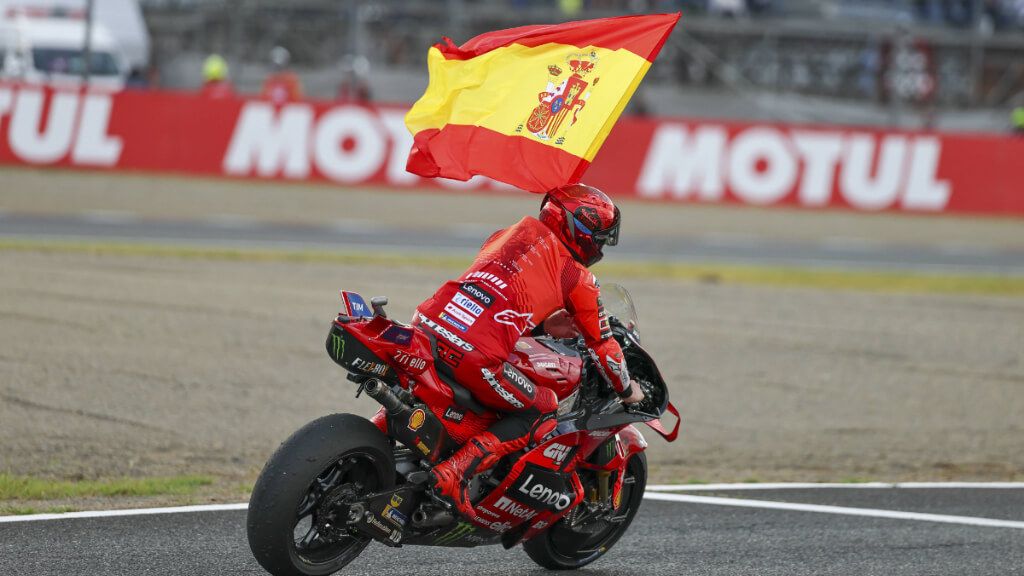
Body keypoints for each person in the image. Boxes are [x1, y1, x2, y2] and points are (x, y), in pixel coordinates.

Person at [413, 183, 645, 519]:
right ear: (579, 229)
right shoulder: (575, 275)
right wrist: (628, 390)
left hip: (426, 325)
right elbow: (603, 345)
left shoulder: (505, 235)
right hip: (473, 355)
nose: (600, 247)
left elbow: (496, 297)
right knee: (542, 408)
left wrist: (543, 327)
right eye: (599, 236)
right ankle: (454, 474)